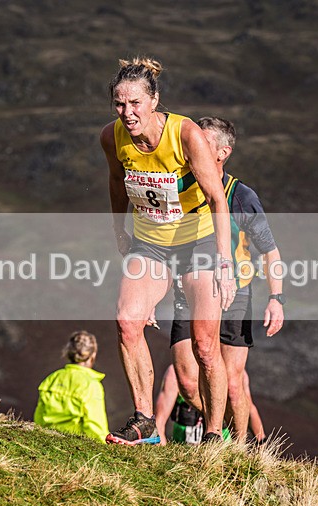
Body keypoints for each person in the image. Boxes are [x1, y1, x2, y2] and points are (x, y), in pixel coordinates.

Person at [100, 57, 237, 445]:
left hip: (198, 242)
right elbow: (115, 181)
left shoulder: (187, 134)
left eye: (135, 104)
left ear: (154, 100)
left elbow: (216, 198)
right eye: (119, 104)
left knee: (205, 345)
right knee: (128, 321)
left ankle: (213, 433)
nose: (127, 113)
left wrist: (224, 261)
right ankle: (145, 423)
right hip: (151, 241)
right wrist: (118, 229)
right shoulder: (112, 137)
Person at [170, 116, 284, 443]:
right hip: (189, 291)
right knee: (188, 381)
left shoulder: (241, 196)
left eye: (202, 143)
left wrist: (277, 299)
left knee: (234, 383)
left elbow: (269, 250)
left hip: (235, 294)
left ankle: (234, 446)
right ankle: (217, 429)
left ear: (223, 152)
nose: (193, 150)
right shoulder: (182, 186)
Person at [155, 364, 266, 445]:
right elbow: (159, 422)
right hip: (183, 446)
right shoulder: (176, 372)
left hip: (222, 447)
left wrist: (262, 443)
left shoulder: (234, 374)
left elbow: (249, 408)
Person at [33, 331, 108, 443]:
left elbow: (39, 417)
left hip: (47, 440)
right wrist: (105, 446)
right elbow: (95, 425)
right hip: (76, 444)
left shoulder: (52, 378)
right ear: (93, 355)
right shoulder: (91, 385)